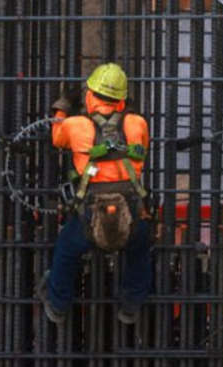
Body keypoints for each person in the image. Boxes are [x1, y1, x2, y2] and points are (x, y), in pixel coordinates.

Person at [36, 63, 153, 325]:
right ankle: (131, 306)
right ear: (122, 101)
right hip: (131, 214)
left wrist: (63, 105)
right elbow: (142, 145)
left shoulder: (76, 125)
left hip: (90, 217)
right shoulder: (138, 122)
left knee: (67, 248)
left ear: (90, 96)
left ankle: (57, 305)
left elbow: (56, 136)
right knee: (141, 248)